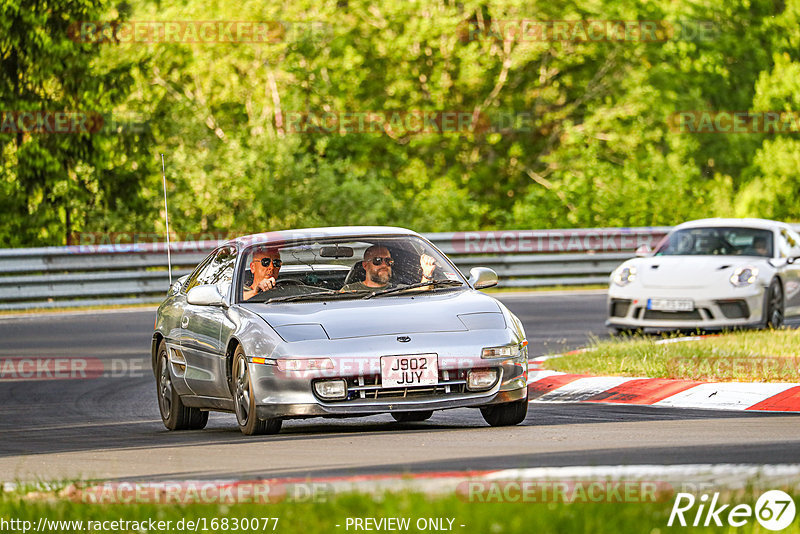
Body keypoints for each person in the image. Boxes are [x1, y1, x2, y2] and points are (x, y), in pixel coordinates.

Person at [341, 245, 436, 291]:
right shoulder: (349, 290)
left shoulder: (398, 290)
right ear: (365, 265)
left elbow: (422, 293)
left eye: (388, 261)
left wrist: (427, 273)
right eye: (377, 260)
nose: (384, 265)